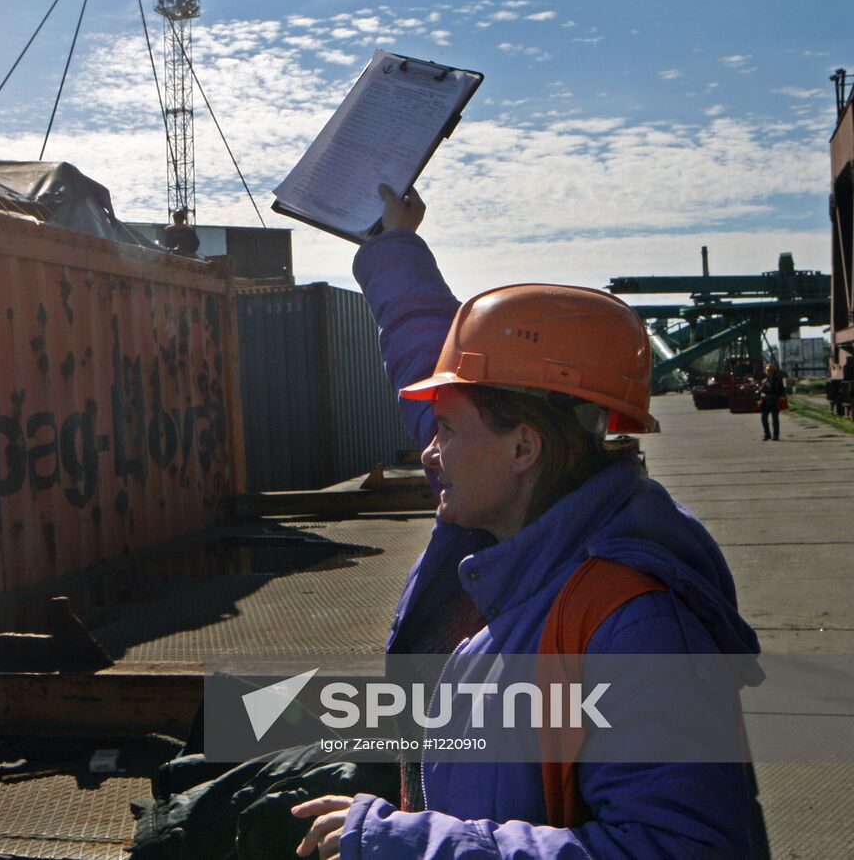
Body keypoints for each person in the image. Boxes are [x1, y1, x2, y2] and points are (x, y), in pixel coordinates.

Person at [290, 185, 763, 859]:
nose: (427, 448)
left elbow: (675, 849)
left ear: (523, 446)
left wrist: (411, 843)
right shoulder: (519, 518)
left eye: (446, 428)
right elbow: (428, 354)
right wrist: (391, 244)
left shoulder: (636, 624)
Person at [758, 362, 786, 441]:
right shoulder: (764, 380)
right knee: (763, 418)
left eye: (769, 370)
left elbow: (781, 391)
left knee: (775, 420)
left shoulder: (778, 380)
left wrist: (779, 397)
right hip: (766, 402)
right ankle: (767, 434)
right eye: (767, 370)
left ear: (773, 371)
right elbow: (762, 390)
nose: (768, 372)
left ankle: (775, 435)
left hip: (774, 401)